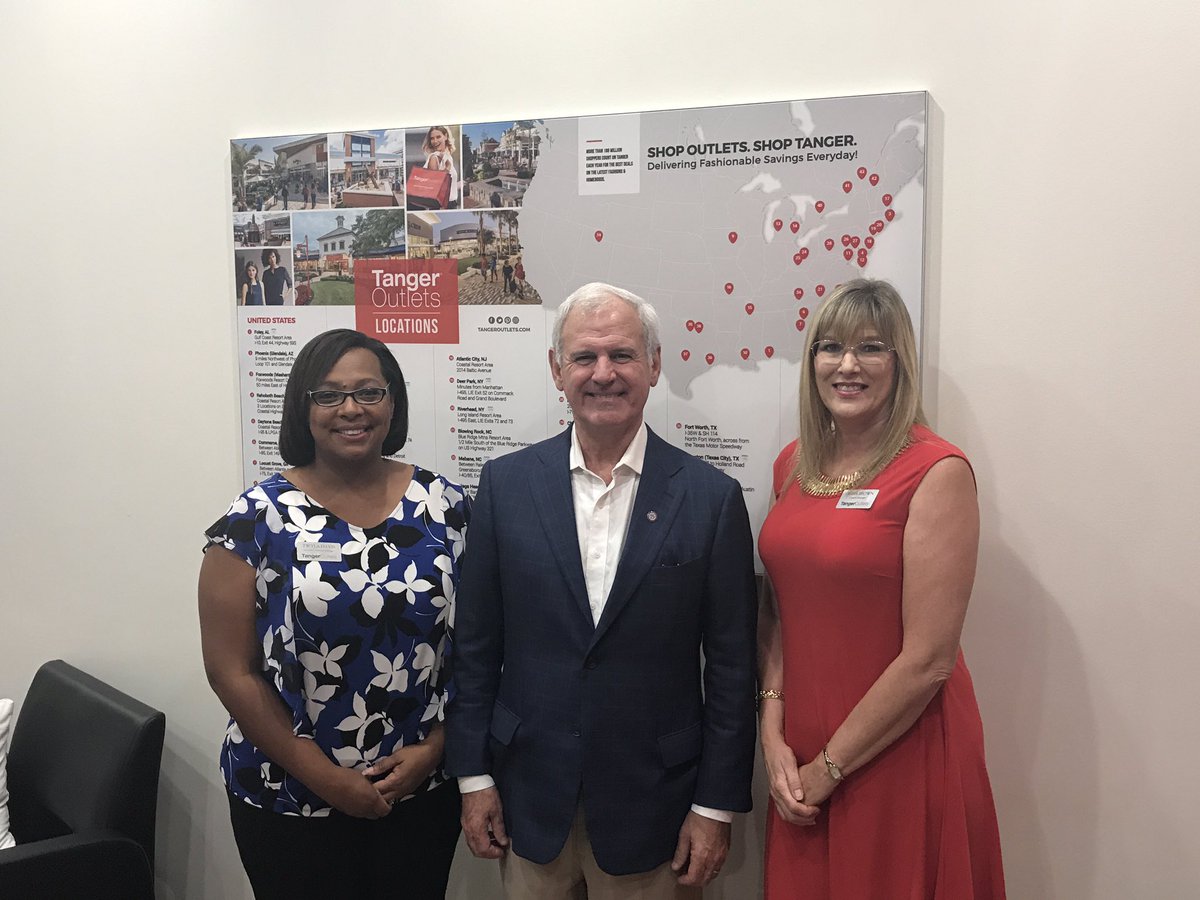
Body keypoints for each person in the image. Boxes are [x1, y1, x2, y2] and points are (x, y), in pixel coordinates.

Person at [446, 283, 757, 898]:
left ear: (655, 365)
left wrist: (715, 807)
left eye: (622, 355)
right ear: (557, 369)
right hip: (527, 795)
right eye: (585, 357)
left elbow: (731, 668)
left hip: (658, 804)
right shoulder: (505, 486)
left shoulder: (711, 499)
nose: (604, 374)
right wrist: (473, 777)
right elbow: (475, 647)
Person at [199, 329, 470, 899]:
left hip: (419, 790)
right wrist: (326, 779)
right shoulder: (255, 518)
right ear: (304, 407)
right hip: (287, 795)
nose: (351, 409)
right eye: (328, 395)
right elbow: (231, 670)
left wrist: (435, 749)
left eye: (369, 392)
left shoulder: (445, 506)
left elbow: (479, 646)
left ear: (392, 402)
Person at [757, 278, 1006, 898]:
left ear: (900, 363)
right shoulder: (792, 463)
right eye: (830, 347)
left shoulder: (937, 471)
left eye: (870, 347)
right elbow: (781, 610)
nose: (847, 365)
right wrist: (772, 729)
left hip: (895, 749)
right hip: (801, 750)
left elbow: (929, 660)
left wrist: (830, 767)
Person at [422, 126, 459, 209]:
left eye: (438, 137)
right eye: (432, 138)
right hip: (442, 206)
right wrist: (447, 168)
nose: (435, 141)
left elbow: (447, 186)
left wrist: (457, 185)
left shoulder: (448, 156)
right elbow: (435, 187)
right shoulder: (434, 157)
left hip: (451, 204)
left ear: (445, 136)